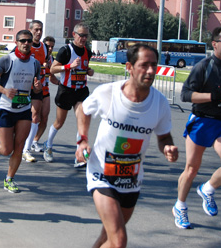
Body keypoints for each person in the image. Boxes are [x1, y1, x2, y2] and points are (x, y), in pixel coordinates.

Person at [76, 43, 179, 248]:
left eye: (154, 65)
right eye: (144, 65)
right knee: (119, 240)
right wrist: (83, 140)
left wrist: (168, 148)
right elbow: (83, 110)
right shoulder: (109, 93)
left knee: (108, 238)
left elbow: (164, 137)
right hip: (101, 174)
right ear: (129, 67)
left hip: (131, 179)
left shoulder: (160, 103)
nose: (150, 71)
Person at [173, 26, 221, 229]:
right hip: (202, 120)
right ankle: (180, 206)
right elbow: (186, 95)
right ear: (215, 44)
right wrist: (213, 97)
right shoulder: (203, 66)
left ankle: (208, 189)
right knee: (191, 169)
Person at [0, 30, 41, 193]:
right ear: (17, 42)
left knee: (19, 147)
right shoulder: (7, 60)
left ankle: (9, 179)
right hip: (5, 108)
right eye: (23, 41)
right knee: (6, 149)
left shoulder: (35, 63)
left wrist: (37, 88)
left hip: (24, 108)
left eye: (29, 41)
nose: (26, 44)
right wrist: (4, 91)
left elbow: (36, 89)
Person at [44, 23, 94, 164]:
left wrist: (90, 71)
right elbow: (53, 70)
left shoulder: (87, 51)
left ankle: (79, 155)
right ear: (74, 35)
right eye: (81, 35)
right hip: (66, 90)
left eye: (86, 36)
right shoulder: (65, 50)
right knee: (59, 122)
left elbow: (85, 67)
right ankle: (48, 145)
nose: (83, 39)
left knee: (82, 121)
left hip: (81, 91)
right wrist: (68, 67)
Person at [22, 20, 48, 162]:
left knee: (36, 116)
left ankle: (26, 149)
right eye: (36, 29)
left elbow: (45, 64)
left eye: (41, 29)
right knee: (18, 116)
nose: (39, 32)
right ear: (30, 30)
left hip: (37, 87)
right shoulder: (24, 45)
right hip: (22, 87)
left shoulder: (44, 47)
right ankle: (16, 141)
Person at [28, 36, 59, 154]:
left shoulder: (51, 60)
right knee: (34, 117)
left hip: (45, 91)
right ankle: (27, 141)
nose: (50, 48)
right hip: (33, 90)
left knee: (44, 118)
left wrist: (61, 84)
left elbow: (51, 77)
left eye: (52, 46)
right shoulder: (35, 56)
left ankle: (35, 141)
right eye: (48, 46)